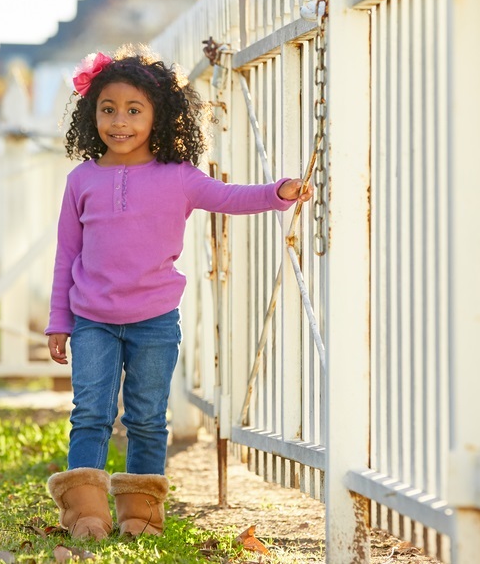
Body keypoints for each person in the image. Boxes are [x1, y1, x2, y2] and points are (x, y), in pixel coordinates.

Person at [45, 44, 313, 540]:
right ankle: (86, 515)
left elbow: (231, 198)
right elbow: (67, 255)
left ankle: (140, 516)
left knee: (147, 417)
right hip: (92, 321)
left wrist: (279, 193)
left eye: (133, 110)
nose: (119, 122)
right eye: (108, 109)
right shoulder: (81, 180)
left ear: (158, 117)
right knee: (91, 413)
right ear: (91, 114)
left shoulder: (179, 178)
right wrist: (59, 321)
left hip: (154, 321)